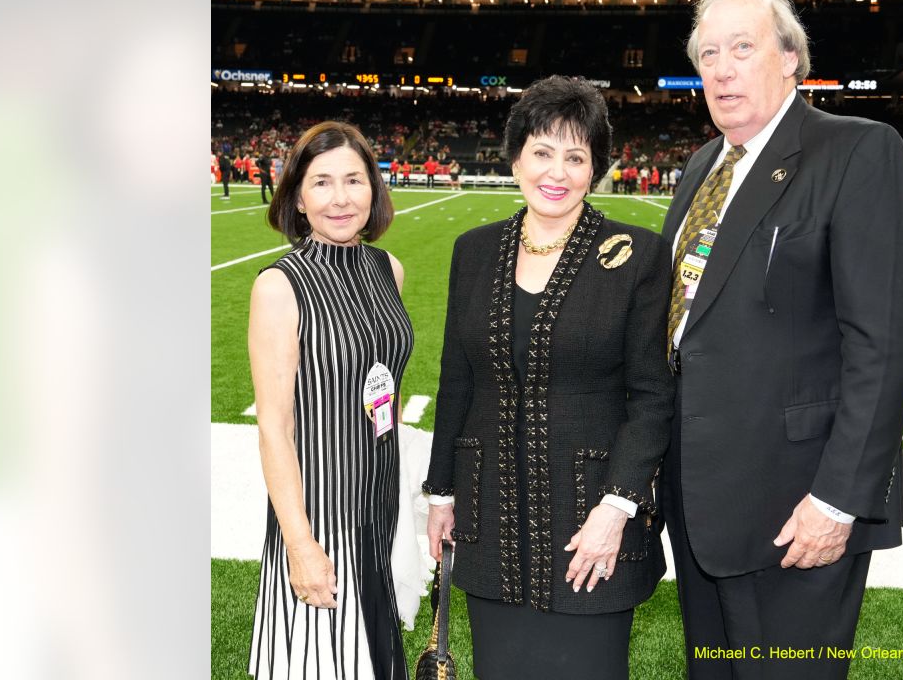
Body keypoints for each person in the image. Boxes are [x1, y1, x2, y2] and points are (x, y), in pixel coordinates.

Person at [662, 0, 903, 679]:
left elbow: (886, 341)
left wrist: (838, 500)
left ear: (789, 59)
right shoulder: (700, 169)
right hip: (699, 502)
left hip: (796, 507)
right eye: (708, 54)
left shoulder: (857, 152)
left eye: (742, 49)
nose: (721, 69)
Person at [423, 75, 673, 680]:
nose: (555, 171)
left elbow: (653, 395)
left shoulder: (635, 252)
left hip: (591, 521)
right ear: (515, 159)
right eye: (541, 151)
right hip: (490, 517)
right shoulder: (474, 250)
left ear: (595, 169)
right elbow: (458, 377)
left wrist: (616, 509)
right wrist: (441, 493)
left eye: (575, 156)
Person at [248, 121, 413, 680]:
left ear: (375, 188)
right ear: (297, 195)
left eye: (353, 180)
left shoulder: (388, 270)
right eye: (321, 183)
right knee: (328, 663)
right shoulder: (280, 285)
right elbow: (274, 424)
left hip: (380, 506)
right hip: (321, 513)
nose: (340, 198)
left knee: (380, 660)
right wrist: (299, 544)